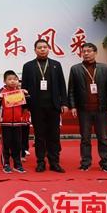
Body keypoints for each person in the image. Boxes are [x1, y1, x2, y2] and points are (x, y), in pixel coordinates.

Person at [68, 42, 107, 172]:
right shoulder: (75, 69)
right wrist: (72, 106)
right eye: (84, 51)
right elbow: (71, 90)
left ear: (95, 53)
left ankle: (105, 163)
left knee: (103, 138)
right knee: (85, 138)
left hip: (101, 109)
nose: (86, 53)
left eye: (89, 51)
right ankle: (85, 163)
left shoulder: (104, 68)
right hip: (84, 110)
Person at [22, 39, 68, 173]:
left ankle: (54, 162)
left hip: (53, 106)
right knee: (39, 135)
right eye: (39, 47)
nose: (42, 49)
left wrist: (64, 103)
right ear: (35, 50)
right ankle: (40, 161)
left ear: (49, 49)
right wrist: (25, 106)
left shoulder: (56, 65)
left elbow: (62, 85)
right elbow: (24, 87)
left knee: (54, 135)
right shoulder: (28, 66)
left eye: (45, 47)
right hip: (36, 107)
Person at [0, 71, 30, 174]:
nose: (13, 81)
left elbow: (26, 106)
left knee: (18, 144)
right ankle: (6, 164)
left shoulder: (20, 92)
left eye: (15, 79)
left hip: (18, 122)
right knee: (6, 144)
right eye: (10, 79)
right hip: (5, 123)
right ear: (4, 81)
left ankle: (18, 164)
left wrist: (27, 96)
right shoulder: (1, 92)